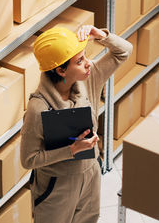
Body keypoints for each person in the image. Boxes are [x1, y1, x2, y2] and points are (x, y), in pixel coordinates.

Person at [20, 25, 132, 223]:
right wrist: (71, 150)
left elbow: (124, 51)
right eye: (80, 61)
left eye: (85, 56)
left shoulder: (90, 77)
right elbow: (28, 159)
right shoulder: (38, 109)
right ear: (61, 70)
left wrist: (102, 36)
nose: (88, 63)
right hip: (56, 185)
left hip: (90, 174)